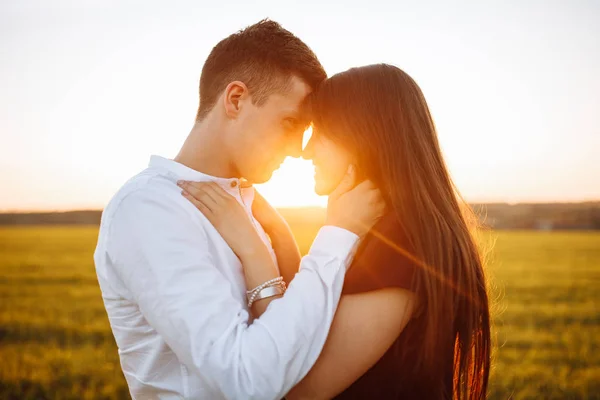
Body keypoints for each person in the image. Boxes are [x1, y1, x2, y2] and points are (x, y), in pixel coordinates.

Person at [93, 20, 384, 399]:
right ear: (235, 100)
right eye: (291, 123)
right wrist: (338, 235)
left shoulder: (250, 208)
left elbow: (291, 343)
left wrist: (279, 251)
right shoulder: (149, 210)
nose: (298, 148)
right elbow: (246, 381)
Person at [181, 64, 491, 399]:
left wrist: (252, 247)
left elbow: (294, 387)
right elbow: (309, 325)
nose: (306, 150)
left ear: (362, 136)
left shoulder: (402, 244)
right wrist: (284, 240)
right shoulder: (378, 230)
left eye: (320, 131)